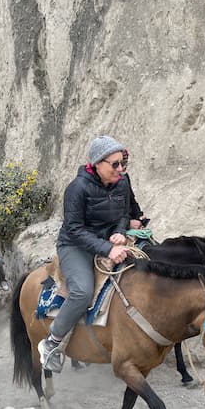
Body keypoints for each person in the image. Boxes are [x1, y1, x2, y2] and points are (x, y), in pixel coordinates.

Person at [38, 135, 130, 372]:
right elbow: (74, 230)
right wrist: (108, 248)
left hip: (109, 240)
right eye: (115, 164)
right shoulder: (77, 189)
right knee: (81, 292)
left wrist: (119, 233)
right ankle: (52, 342)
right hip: (74, 246)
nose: (121, 169)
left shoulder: (122, 182)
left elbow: (124, 214)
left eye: (124, 162)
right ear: (98, 163)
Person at [121, 149, 150, 230]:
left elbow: (131, 200)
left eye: (125, 163)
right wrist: (128, 223)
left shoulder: (124, 177)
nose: (123, 167)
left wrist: (139, 216)